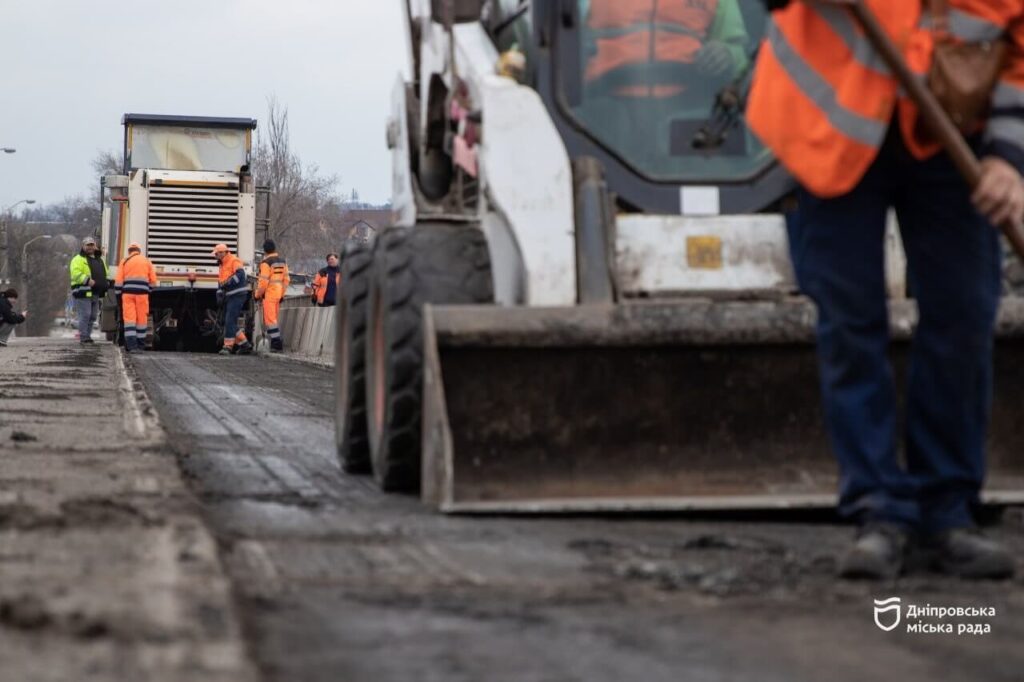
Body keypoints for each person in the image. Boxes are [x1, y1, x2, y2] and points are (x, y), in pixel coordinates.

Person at [747, 0, 1024, 580]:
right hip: (833, 129)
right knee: (852, 323)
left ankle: (947, 510)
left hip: (951, 134)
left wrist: (1009, 158)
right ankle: (880, 509)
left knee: (965, 315)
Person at [114, 242, 157, 353]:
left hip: (128, 294)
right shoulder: (147, 261)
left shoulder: (125, 261)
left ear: (129, 252)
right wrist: (148, 290)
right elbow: (153, 281)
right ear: (138, 251)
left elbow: (119, 280)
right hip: (142, 295)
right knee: (142, 320)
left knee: (129, 320)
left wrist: (118, 294)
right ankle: (141, 345)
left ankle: (132, 346)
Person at [212, 243, 253, 356]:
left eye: (216, 254)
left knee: (230, 320)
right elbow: (221, 282)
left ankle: (228, 346)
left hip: (237, 294)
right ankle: (245, 345)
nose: (215, 256)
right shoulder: (222, 264)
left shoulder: (234, 260)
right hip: (229, 295)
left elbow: (240, 274)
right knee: (227, 321)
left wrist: (228, 283)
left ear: (222, 253)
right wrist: (219, 292)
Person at [69, 236, 110, 345]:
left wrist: (107, 283)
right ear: (83, 246)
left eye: (92, 245)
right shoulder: (78, 259)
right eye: (88, 245)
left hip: (95, 292)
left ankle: (88, 335)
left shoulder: (99, 260)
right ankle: (84, 337)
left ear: (95, 246)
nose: (90, 247)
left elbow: (105, 273)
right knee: (85, 315)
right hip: (82, 291)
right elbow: (75, 274)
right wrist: (87, 280)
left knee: (92, 316)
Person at [254, 239, 290, 352]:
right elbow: (287, 279)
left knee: (270, 320)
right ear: (275, 248)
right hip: (278, 294)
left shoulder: (266, 263)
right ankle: (275, 341)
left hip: (269, 294)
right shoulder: (282, 261)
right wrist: (282, 294)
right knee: (273, 319)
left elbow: (263, 282)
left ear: (264, 250)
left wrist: (257, 294)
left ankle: (276, 343)